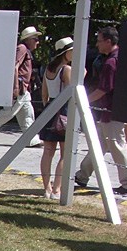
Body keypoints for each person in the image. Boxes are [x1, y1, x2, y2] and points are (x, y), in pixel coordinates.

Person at [75, 27, 127, 195]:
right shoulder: (121, 57)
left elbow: (103, 89)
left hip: (111, 111)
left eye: (99, 41)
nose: (97, 45)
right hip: (113, 110)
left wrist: (83, 100)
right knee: (99, 144)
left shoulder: (110, 63)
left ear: (108, 41)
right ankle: (82, 175)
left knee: (116, 145)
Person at [0, 26, 42, 147]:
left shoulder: (26, 50)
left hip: (24, 89)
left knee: (28, 114)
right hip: (19, 89)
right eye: (35, 39)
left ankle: (31, 139)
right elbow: (14, 67)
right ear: (28, 39)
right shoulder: (22, 48)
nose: (38, 42)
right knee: (7, 114)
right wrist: (15, 88)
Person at [39, 37, 74, 199]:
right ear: (65, 53)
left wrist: (47, 109)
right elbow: (71, 92)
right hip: (63, 110)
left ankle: (46, 188)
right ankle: (57, 189)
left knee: (47, 152)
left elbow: (44, 93)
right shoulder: (66, 69)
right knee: (65, 153)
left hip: (50, 108)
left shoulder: (48, 69)